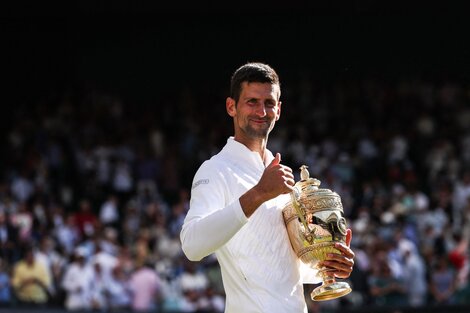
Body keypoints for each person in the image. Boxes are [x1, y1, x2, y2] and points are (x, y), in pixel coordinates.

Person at [180, 62, 355, 312]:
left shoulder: (279, 175)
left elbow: (286, 269)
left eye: (269, 103)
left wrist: (327, 264)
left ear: (279, 110)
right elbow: (192, 245)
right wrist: (259, 193)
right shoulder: (216, 170)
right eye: (252, 102)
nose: (261, 111)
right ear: (232, 106)